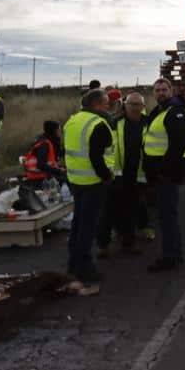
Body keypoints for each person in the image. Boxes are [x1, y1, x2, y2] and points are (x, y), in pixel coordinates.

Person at [64, 88, 115, 285]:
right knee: (87, 228)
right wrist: (106, 177)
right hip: (93, 182)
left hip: (76, 180)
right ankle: (85, 270)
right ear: (96, 104)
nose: (108, 105)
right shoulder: (99, 124)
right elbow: (97, 157)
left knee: (77, 225)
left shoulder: (72, 121)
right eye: (106, 102)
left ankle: (73, 265)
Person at [143, 78, 185, 272]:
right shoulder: (160, 111)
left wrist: (163, 171)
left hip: (167, 175)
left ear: (171, 90)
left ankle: (170, 257)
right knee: (166, 216)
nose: (161, 93)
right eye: (157, 90)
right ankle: (174, 253)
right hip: (160, 175)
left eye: (164, 89)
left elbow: (177, 146)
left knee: (167, 217)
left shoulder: (176, 112)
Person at [97, 92, 147, 257]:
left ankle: (128, 244)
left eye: (137, 104)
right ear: (124, 105)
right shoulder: (113, 123)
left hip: (137, 176)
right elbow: (105, 150)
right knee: (108, 212)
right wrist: (107, 172)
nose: (134, 107)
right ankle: (103, 246)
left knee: (131, 212)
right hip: (116, 176)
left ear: (143, 107)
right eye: (131, 104)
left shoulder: (148, 124)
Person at [23, 120, 65, 186]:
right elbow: (41, 165)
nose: (59, 132)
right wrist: (58, 170)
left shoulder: (49, 141)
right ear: (53, 131)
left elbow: (53, 160)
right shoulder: (44, 145)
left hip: (43, 175)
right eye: (58, 130)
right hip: (40, 177)